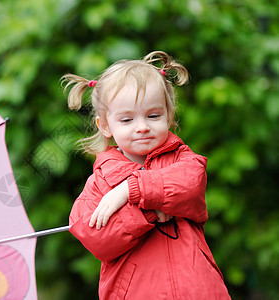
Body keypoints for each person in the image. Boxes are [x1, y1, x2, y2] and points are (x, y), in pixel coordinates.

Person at [62, 51, 230, 299]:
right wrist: (147, 210)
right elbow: (93, 234)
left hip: (198, 290)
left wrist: (131, 190)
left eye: (153, 116)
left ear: (169, 115)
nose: (142, 126)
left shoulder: (183, 159)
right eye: (127, 119)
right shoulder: (101, 180)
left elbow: (190, 185)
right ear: (105, 125)